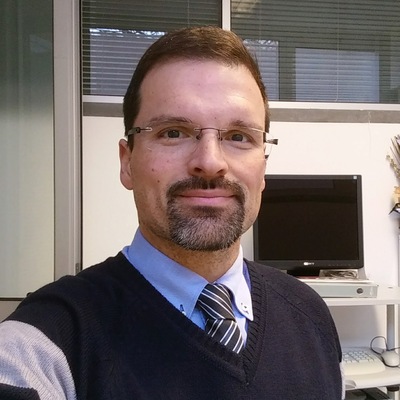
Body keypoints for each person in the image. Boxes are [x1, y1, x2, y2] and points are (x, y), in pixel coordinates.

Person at [0, 26, 344, 399]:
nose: (210, 162)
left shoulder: (311, 316)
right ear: (127, 162)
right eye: (174, 132)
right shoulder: (46, 344)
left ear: (263, 168)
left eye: (238, 137)